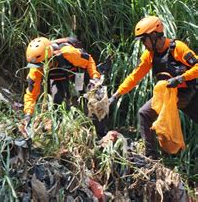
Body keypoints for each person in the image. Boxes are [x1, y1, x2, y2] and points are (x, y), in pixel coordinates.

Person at [109, 16, 197, 158]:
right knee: (144, 113)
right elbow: (135, 76)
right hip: (167, 96)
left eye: (144, 39)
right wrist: (116, 95)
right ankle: (151, 156)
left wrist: (181, 78)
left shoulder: (177, 48)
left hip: (188, 95)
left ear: (154, 35)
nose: (143, 44)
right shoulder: (149, 55)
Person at [22, 36, 104, 134]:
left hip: (77, 73)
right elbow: (31, 94)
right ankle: (59, 131)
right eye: (37, 66)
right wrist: (28, 114)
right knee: (57, 101)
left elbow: (88, 60)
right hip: (57, 77)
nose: (40, 68)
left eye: (41, 65)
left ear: (50, 57)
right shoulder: (36, 68)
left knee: (86, 98)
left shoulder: (68, 53)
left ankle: (99, 130)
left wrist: (94, 77)